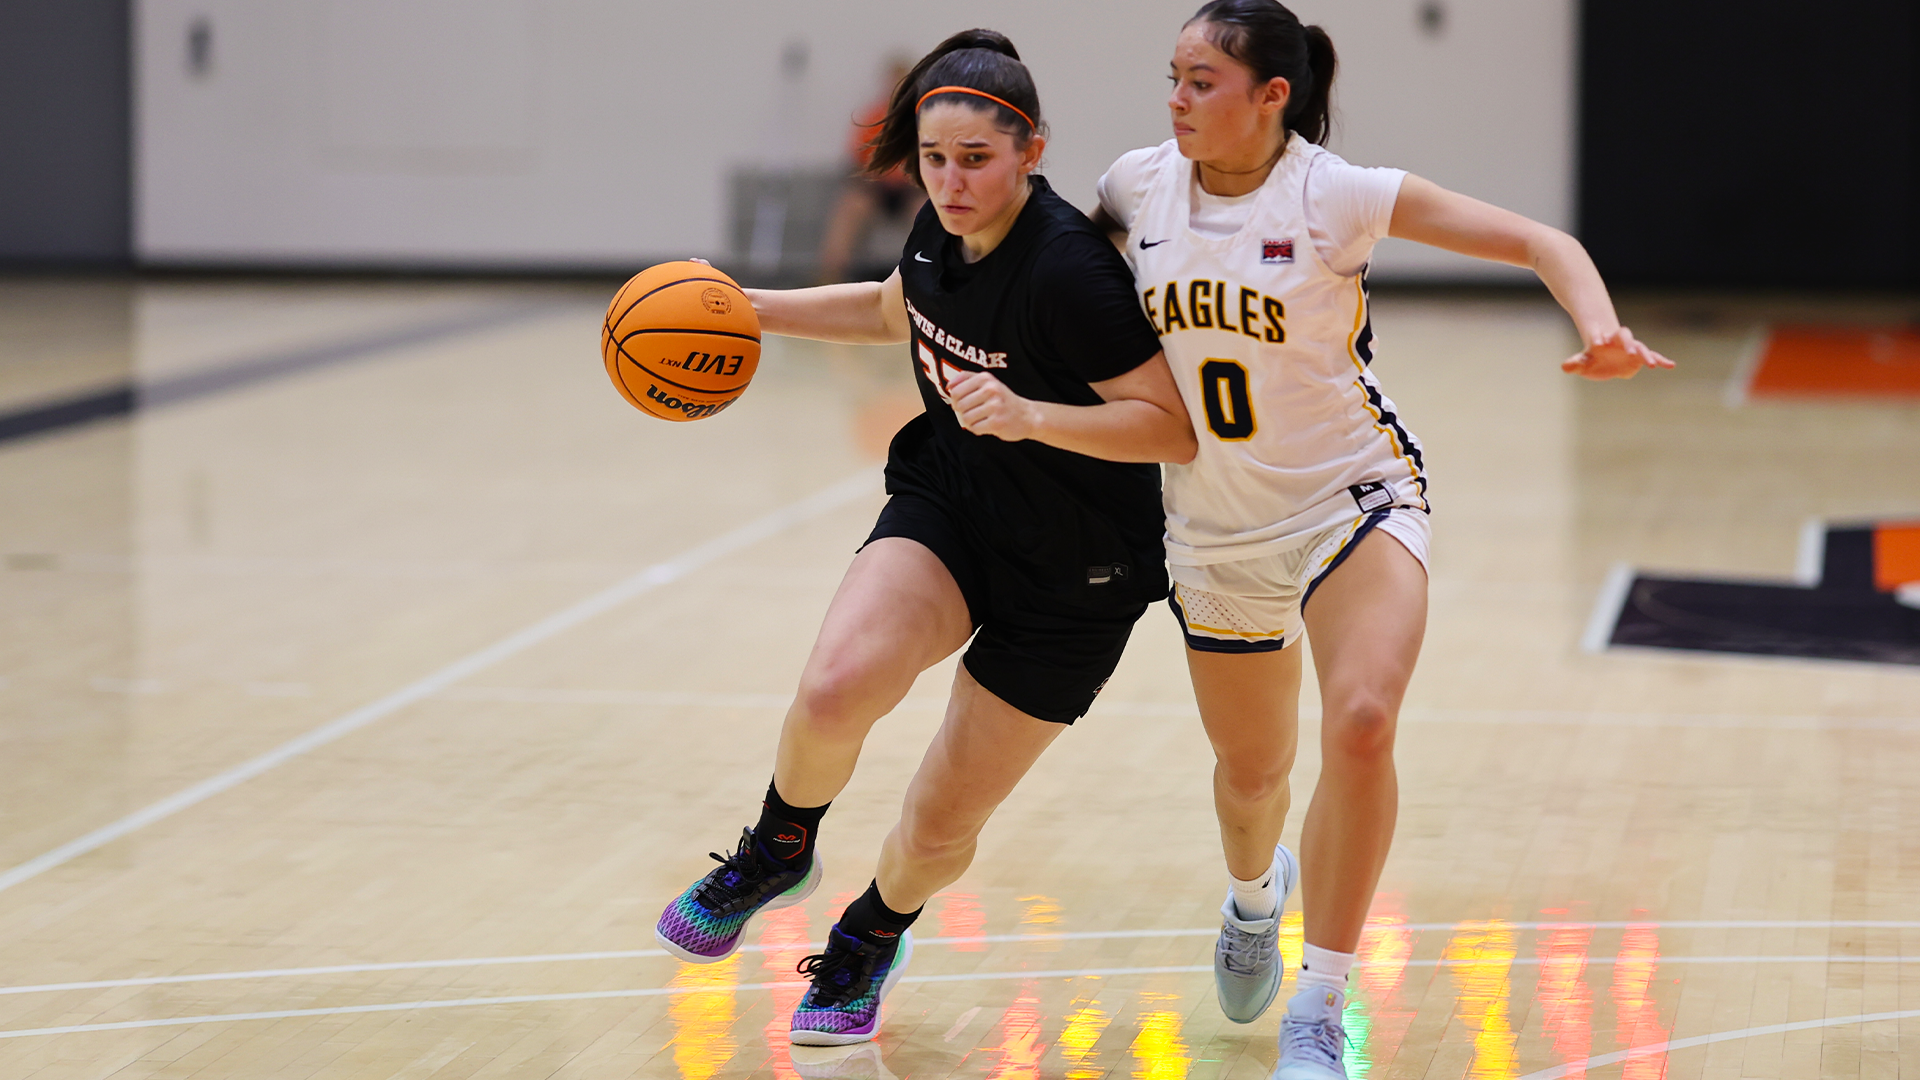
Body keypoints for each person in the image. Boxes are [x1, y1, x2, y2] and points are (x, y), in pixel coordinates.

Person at [1086, 2, 1673, 1076]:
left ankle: (1321, 1001)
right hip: (1214, 530)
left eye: (1201, 81)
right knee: (1250, 775)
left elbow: (1542, 239)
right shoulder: (1135, 186)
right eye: (1171, 76)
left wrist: (1598, 326)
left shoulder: (1334, 194)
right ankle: (1255, 895)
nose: (1176, 99)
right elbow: (1048, 285)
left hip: (1353, 499)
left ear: (1273, 96)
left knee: (1359, 721)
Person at [654, 29, 1195, 1047]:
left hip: (1078, 573)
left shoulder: (1069, 275)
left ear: (1031, 149)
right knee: (834, 686)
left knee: (940, 821)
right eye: (933, 159)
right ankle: (777, 846)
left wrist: (1036, 415)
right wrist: (742, 310)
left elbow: (1171, 429)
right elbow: (885, 310)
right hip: (954, 503)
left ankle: (869, 933)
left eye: (976, 160)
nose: (950, 181)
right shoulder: (935, 234)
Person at [817, 57, 927, 284]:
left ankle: (929, 279)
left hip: (911, 189)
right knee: (850, 207)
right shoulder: (872, 117)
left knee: (927, 212)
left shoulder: (924, 118)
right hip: (875, 189)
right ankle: (828, 280)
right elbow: (858, 160)